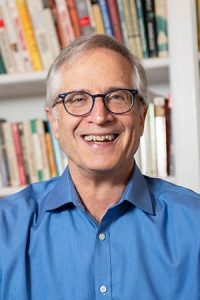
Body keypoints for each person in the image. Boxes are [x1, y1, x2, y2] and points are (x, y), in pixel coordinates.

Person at [0, 34, 200, 300]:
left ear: (141, 118)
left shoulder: (195, 223)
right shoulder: (5, 230)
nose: (99, 116)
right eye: (78, 99)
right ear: (55, 122)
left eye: (117, 97)